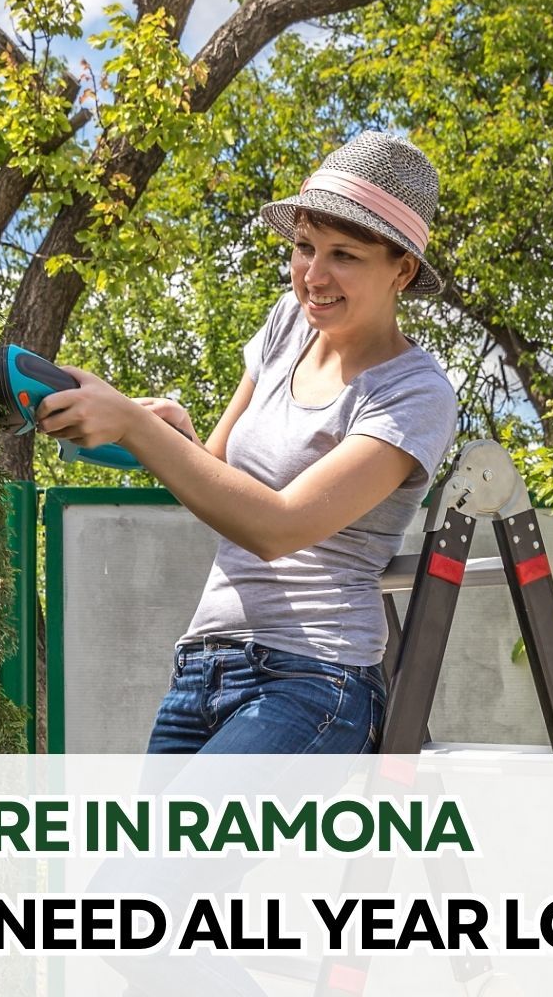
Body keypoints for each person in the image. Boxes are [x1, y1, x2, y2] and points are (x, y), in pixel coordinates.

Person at [34, 130, 459, 755]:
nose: (313, 274)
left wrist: (135, 426)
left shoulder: (414, 394)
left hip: (314, 680)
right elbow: (214, 478)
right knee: (131, 857)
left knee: (168, 856)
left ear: (402, 269)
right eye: (304, 247)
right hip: (203, 665)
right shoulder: (288, 326)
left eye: (344, 254)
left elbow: (277, 526)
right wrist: (169, 433)